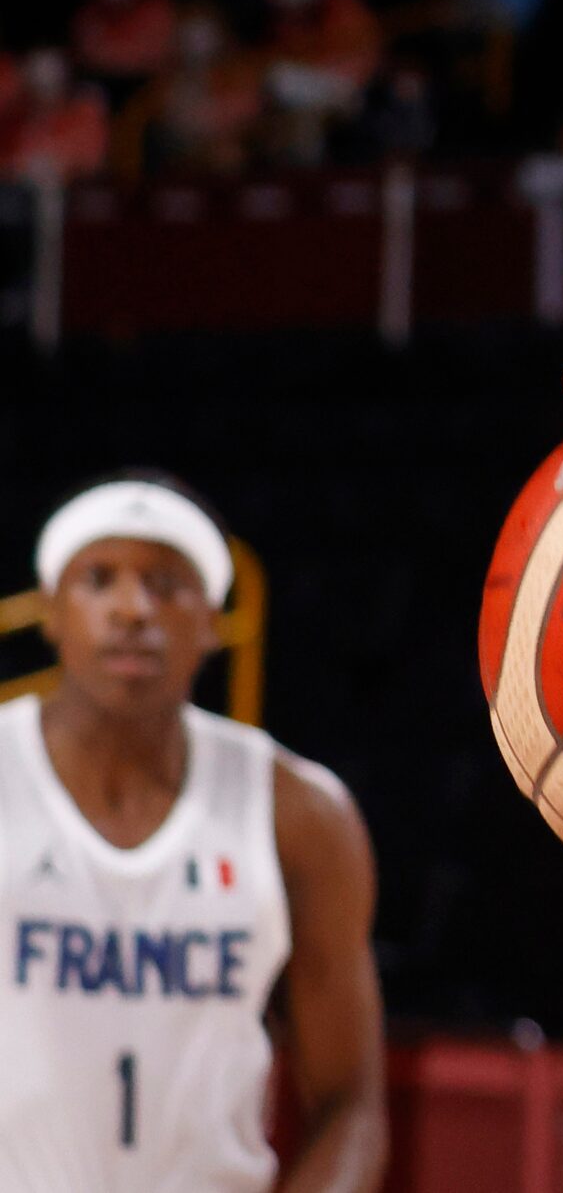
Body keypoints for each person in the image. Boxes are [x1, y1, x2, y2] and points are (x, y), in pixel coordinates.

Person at [0, 473, 386, 1190]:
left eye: (166, 584)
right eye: (99, 579)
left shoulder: (298, 812)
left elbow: (351, 1106)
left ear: (211, 620)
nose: (132, 609)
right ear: (51, 612)